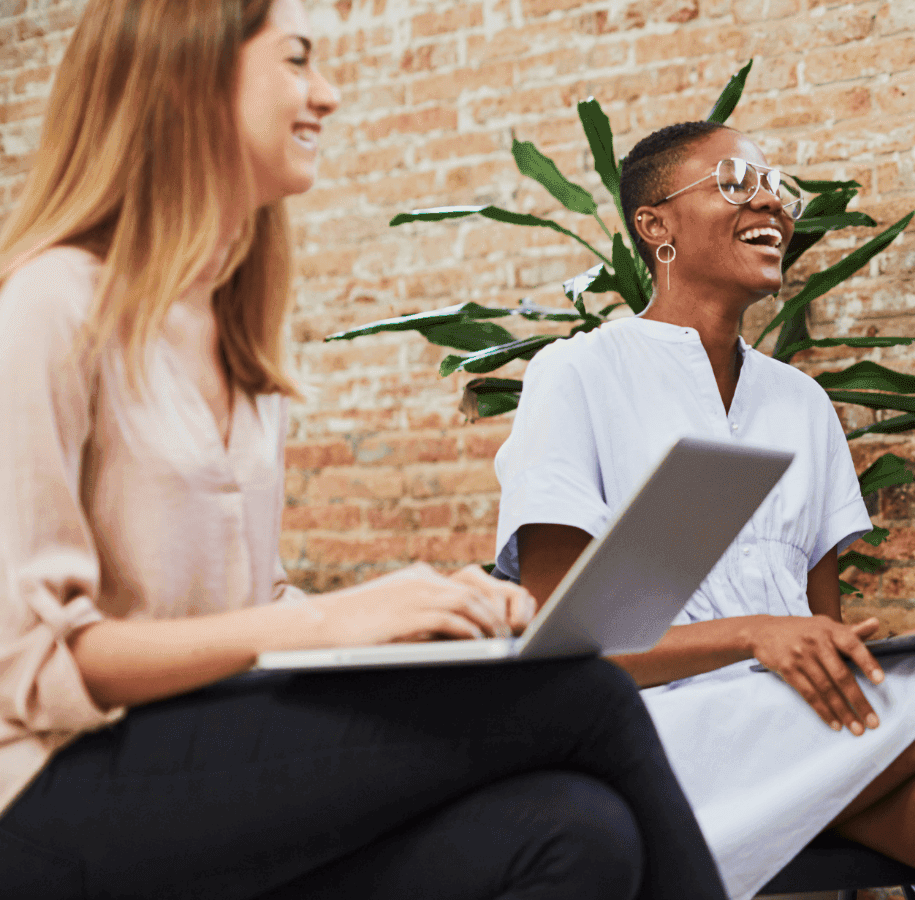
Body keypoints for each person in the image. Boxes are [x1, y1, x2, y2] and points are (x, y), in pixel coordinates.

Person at [0, 1, 728, 898]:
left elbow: (242, 609)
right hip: (52, 789)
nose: (328, 94)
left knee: (578, 833)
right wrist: (330, 620)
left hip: (205, 756)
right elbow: (35, 665)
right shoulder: (50, 307)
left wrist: (417, 622)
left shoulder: (233, 337)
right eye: (298, 60)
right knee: (590, 697)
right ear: (190, 72)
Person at [491, 119, 915, 900]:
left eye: (779, 188)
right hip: (656, 735)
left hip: (789, 728)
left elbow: (822, 626)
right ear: (656, 225)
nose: (771, 202)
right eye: (738, 182)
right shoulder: (576, 374)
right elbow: (557, 645)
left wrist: (812, 644)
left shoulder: (800, 403)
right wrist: (754, 635)